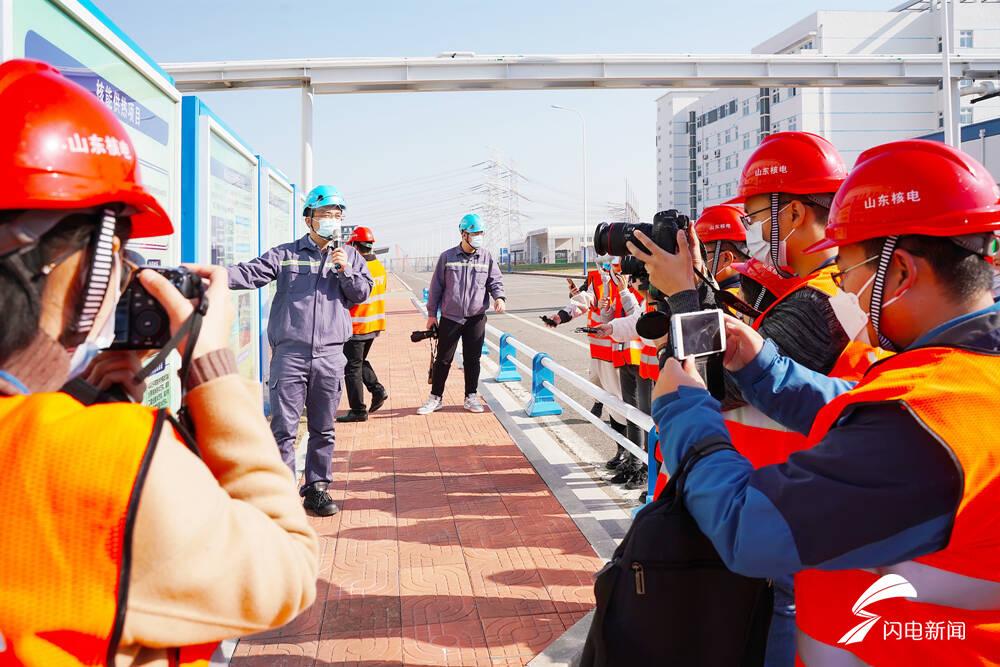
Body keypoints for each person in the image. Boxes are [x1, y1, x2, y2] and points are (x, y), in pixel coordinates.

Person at [0, 59, 318, 664]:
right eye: (118, 250)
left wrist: (79, 404)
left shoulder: (71, 434)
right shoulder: (103, 457)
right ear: (86, 262)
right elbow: (286, 568)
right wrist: (216, 372)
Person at [650, 139, 1000, 666]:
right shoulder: (961, 376)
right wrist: (763, 363)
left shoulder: (928, 423)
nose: (847, 286)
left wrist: (682, 410)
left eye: (850, 269)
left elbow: (751, 531)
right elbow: (859, 404)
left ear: (899, 272)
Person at [630, 132, 887, 667]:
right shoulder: (812, 290)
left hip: (782, 523)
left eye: (757, 218)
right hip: (776, 506)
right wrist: (694, 294)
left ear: (791, 212)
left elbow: (720, 385)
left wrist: (683, 297)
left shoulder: (835, 298)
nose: (753, 234)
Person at [228, 184, 373, 516]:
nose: (332, 221)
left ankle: (317, 489)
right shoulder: (286, 254)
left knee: (324, 427)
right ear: (309, 219)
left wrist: (344, 270)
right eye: (325, 215)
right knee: (283, 427)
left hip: (331, 356)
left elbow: (361, 293)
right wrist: (213, 276)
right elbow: (251, 273)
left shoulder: (350, 256)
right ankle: (280, 493)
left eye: (337, 216)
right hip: (290, 355)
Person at [543, 261, 631, 468]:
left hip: (623, 351)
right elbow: (583, 299)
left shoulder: (633, 275)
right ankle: (622, 451)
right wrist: (561, 316)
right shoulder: (598, 278)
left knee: (624, 405)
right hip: (600, 349)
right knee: (611, 402)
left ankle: (633, 457)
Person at [418, 213, 505, 414]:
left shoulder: (486, 257)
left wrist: (499, 297)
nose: (478, 236)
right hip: (451, 317)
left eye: (481, 232)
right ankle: (435, 397)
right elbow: (436, 287)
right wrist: (432, 314)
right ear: (464, 234)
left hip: (476, 318)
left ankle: (471, 396)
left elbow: (495, 281)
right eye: (474, 233)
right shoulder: (447, 257)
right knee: (443, 359)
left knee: (472, 359)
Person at [337, 226, 389, 423]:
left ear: (355, 247)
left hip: (357, 325)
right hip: (373, 325)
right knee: (358, 362)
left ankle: (358, 410)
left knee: (352, 367)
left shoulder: (358, 268)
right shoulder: (379, 267)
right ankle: (377, 390)